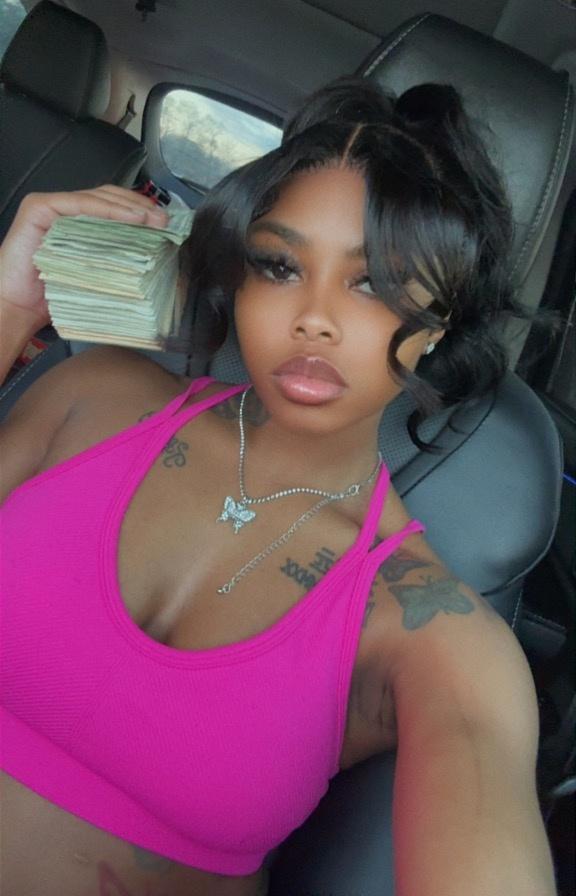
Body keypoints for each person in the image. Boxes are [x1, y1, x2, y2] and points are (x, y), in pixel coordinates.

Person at [0, 77, 558, 896]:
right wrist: (9, 311)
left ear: (438, 323)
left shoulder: (434, 635)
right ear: (238, 274)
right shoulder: (92, 396)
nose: (314, 318)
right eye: (280, 265)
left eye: (375, 282)